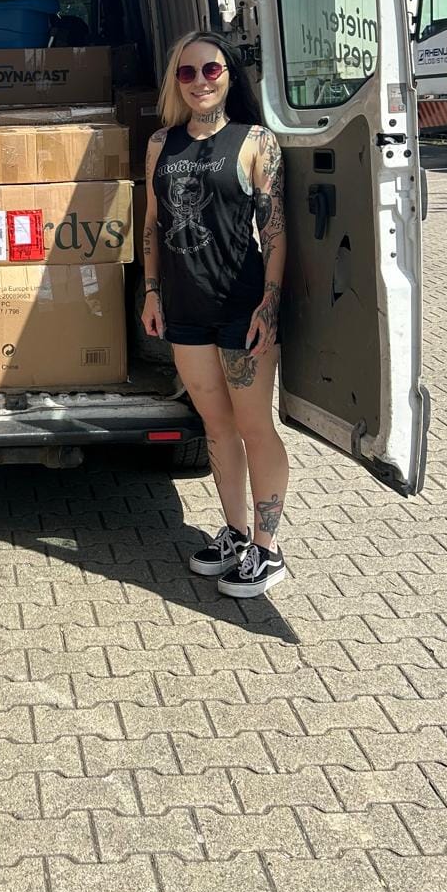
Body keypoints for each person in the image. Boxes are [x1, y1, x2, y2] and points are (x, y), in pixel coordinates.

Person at [140, 30, 289, 598]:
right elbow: (151, 224)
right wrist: (151, 293)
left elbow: (274, 233)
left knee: (254, 427)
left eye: (211, 70)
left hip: (241, 308)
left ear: (228, 75)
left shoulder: (255, 141)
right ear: (175, 82)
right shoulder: (161, 144)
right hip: (185, 310)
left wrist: (269, 304)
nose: (200, 81)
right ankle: (235, 533)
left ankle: (267, 551)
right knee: (217, 427)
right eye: (187, 72)